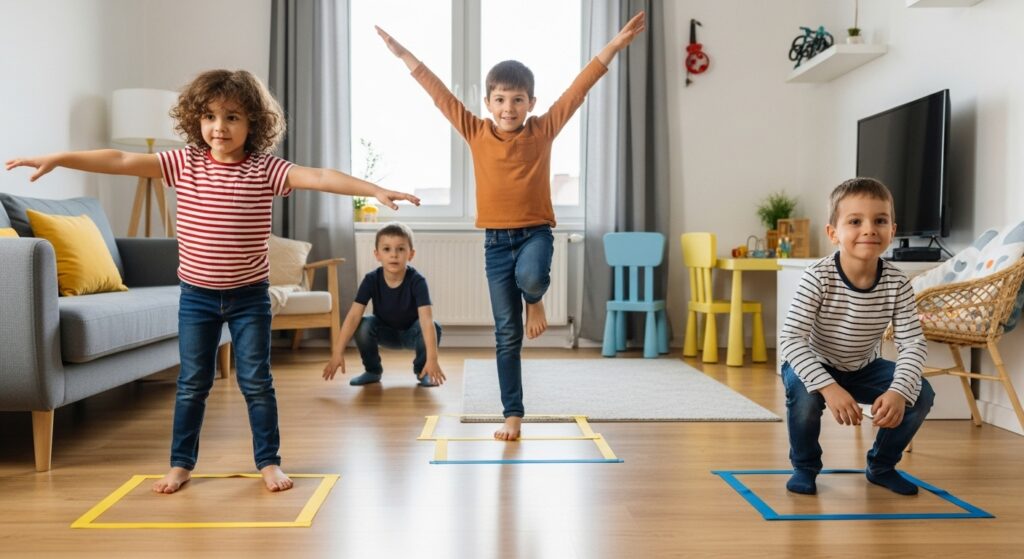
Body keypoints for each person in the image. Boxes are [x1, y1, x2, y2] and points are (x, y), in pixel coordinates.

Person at [5, 69, 419, 494]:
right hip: (197, 298)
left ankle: (269, 462)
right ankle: (180, 464)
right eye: (209, 116)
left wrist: (375, 189)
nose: (219, 127)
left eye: (232, 117)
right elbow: (121, 160)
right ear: (195, 120)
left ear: (253, 122)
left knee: (256, 382)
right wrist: (60, 158)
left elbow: (320, 176)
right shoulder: (184, 163)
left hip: (249, 298)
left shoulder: (265, 169)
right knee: (192, 384)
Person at [376, 12, 646, 441]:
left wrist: (613, 46)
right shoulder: (475, 131)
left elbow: (579, 89)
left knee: (533, 277)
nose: (508, 108)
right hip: (496, 245)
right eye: (500, 100)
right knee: (506, 334)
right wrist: (403, 54)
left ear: (531, 103)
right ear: (488, 103)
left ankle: (534, 300)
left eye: (517, 100)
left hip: (535, 233)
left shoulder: (543, 129)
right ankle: (513, 413)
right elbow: (439, 94)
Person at [777, 177, 933, 496]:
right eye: (855, 221)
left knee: (921, 394)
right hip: (812, 363)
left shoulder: (897, 283)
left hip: (863, 367)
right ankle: (805, 467)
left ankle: (882, 466)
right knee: (806, 400)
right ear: (833, 233)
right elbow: (791, 339)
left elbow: (912, 344)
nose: (869, 230)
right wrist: (829, 388)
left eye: (880, 221)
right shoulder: (817, 277)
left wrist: (898, 391)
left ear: (892, 230)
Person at [322, 221, 445, 388]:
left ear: (411, 254)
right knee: (363, 324)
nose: (394, 255)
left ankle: (424, 371)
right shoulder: (371, 279)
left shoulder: (418, 281)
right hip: (384, 333)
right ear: (377, 254)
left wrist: (433, 360)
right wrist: (337, 352)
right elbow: (353, 316)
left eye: (400, 249)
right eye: (387, 249)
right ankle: (372, 371)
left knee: (434, 326)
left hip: (411, 334)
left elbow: (426, 320)